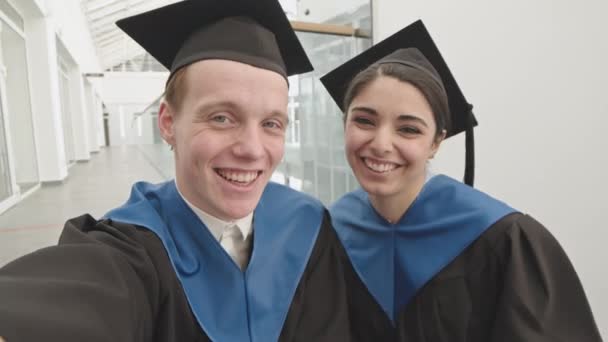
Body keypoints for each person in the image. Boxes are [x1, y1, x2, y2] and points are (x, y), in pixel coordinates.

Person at [0, 0, 390, 341]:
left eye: (272, 123)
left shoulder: (308, 224)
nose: (252, 149)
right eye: (222, 118)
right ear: (168, 122)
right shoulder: (133, 247)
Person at [321, 20, 603, 341]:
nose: (382, 143)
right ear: (345, 124)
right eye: (364, 121)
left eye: (409, 128)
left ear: (436, 142)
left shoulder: (503, 239)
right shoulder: (330, 233)